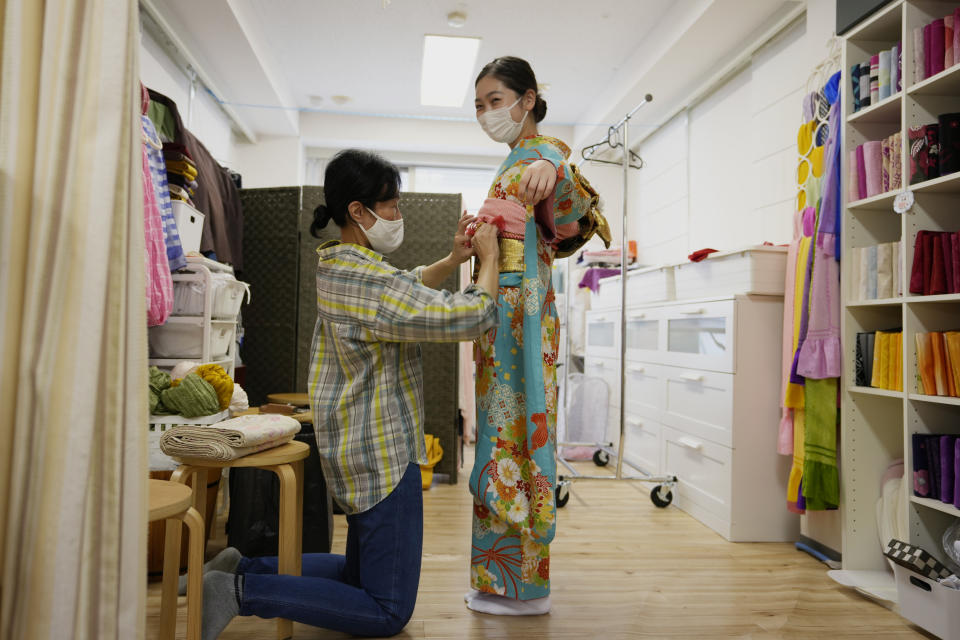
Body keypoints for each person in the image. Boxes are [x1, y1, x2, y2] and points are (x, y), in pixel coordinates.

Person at [199, 148, 501, 639]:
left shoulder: (342, 265)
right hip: (381, 454)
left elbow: (404, 287)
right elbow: (467, 317)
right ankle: (240, 593)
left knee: (360, 577)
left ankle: (243, 569)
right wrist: (488, 260)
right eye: (392, 206)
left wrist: (452, 260)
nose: (398, 216)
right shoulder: (364, 278)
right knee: (386, 609)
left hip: (358, 447)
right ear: (358, 211)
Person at [466, 56, 595, 616]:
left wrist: (556, 169)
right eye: (479, 106)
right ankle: (498, 581)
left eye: (495, 101)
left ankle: (523, 589)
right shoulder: (514, 160)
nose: (486, 114)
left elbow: (570, 211)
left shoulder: (541, 156)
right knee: (501, 436)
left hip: (520, 320)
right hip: (505, 318)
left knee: (519, 436)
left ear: (528, 98)